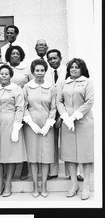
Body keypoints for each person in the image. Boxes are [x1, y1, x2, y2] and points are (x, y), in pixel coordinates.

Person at [56, 58, 94, 200]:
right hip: (67, 122)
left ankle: (85, 186)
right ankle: (74, 184)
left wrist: (75, 116)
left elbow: (89, 101)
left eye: (77, 67)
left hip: (84, 121)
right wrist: (66, 117)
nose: (73, 69)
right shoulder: (63, 83)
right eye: (71, 67)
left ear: (82, 69)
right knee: (70, 154)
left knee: (85, 154)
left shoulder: (87, 82)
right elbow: (59, 101)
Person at [23, 59, 56, 198]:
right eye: (37, 70)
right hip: (32, 125)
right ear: (33, 71)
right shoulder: (27, 87)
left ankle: (44, 185)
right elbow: (23, 106)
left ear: (45, 71)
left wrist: (48, 124)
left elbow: (53, 107)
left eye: (42, 70)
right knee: (34, 156)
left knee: (46, 156)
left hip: (47, 125)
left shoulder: (51, 87)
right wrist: (31, 123)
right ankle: (35, 185)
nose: (40, 73)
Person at [0, 64, 27, 197]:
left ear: (11, 76)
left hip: (11, 121)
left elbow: (20, 108)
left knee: (10, 154)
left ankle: (8, 183)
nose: (4, 76)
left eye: (7, 74)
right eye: (2, 74)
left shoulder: (16, 89)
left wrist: (16, 127)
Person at [0, 45, 33, 180]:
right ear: (8, 55)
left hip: (23, 106)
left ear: (21, 55)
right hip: (7, 108)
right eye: (12, 53)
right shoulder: (3, 68)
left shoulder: (26, 68)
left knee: (23, 136)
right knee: (10, 138)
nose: (15, 55)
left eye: (17, 54)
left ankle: (24, 165)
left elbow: (32, 84)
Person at [45, 49, 66, 180]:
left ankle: (73, 172)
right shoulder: (45, 73)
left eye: (55, 58)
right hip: (50, 111)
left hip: (66, 110)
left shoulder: (67, 70)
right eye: (50, 59)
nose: (53, 61)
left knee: (68, 141)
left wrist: (62, 115)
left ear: (60, 58)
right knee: (51, 142)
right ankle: (53, 171)